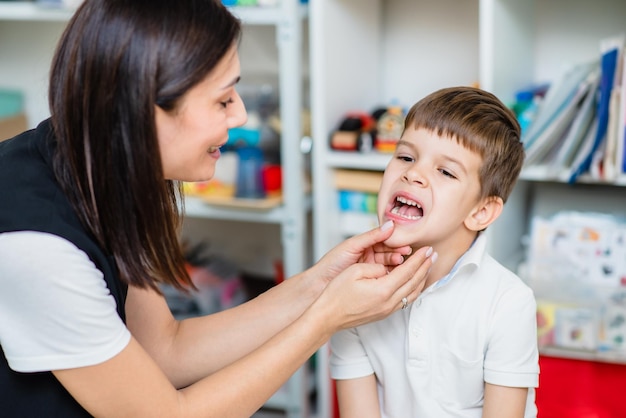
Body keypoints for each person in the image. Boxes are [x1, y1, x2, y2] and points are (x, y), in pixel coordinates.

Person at [0, 1, 437, 416]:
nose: (242, 116)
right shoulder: (36, 246)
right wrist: (325, 321)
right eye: (224, 100)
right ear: (144, 109)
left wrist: (320, 285)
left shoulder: (102, 165)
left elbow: (165, 350)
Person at [330, 86, 540, 418]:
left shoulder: (508, 303)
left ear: (481, 212)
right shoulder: (352, 289)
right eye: (405, 157)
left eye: (445, 171)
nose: (413, 174)